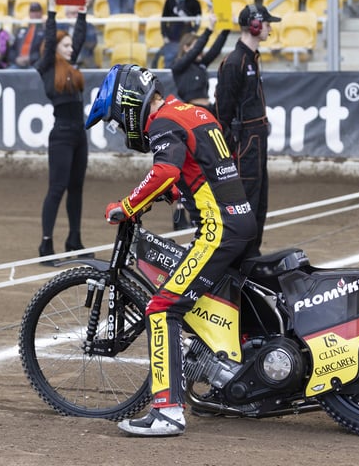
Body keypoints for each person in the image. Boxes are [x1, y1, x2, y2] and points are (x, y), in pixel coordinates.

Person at [85, 63, 256, 436]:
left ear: (128, 105)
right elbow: (200, 168)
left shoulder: (162, 122)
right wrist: (177, 192)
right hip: (239, 219)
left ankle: (168, 412)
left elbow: (165, 171)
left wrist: (126, 205)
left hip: (219, 229)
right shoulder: (191, 112)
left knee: (162, 308)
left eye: (115, 120)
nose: (119, 129)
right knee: (212, 300)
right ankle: (228, 376)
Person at [214, 4, 281, 261]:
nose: (270, 28)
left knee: (260, 203)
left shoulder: (249, 58)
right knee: (249, 203)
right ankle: (242, 258)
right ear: (254, 25)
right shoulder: (234, 62)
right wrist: (235, 146)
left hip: (255, 142)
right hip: (246, 144)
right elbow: (222, 114)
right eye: (267, 23)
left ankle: (251, 256)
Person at [35, 0, 92, 261]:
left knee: (77, 188)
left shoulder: (70, 67)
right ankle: (46, 245)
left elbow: (79, 38)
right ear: (55, 48)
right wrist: (51, 10)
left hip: (79, 133)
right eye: (66, 46)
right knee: (57, 188)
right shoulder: (47, 66)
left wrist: (83, 11)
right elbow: (49, 36)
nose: (72, 49)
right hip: (61, 136)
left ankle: (74, 240)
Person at [169, 13, 229, 230]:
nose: (199, 50)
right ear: (186, 48)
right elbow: (199, 49)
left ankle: (202, 209)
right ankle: (180, 215)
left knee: (207, 162)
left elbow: (213, 50)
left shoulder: (200, 65)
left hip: (205, 112)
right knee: (190, 166)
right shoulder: (179, 66)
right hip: (190, 115)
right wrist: (208, 30)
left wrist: (225, 28)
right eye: (194, 46)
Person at [157, 0, 200, 69]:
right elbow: (164, 19)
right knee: (169, 63)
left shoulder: (194, 2)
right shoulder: (170, 0)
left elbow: (198, 20)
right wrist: (164, 35)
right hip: (172, 38)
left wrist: (193, 33)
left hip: (186, 40)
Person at [57, 3, 98, 68]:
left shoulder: (88, 26)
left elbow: (92, 43)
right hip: (65, 62)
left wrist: (80, 29)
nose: (76, 16)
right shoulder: (60, 26)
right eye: (73, 13)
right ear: (67, 15)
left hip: (84, 61)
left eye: (78, 13)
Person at [8, 0, 46, 68]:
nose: (35, 14)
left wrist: (30, 58)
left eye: (37, 11)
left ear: (41, 13)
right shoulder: (21, 30)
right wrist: (16, 59)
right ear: (29, 14)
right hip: (17, 63)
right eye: (32, 12)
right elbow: (12, 49)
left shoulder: (44, 32)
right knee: (7, 73)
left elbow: (44, 51)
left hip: (34, 64)